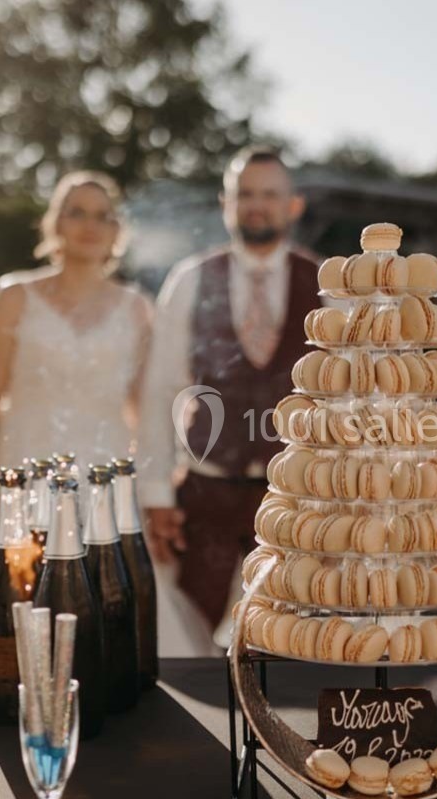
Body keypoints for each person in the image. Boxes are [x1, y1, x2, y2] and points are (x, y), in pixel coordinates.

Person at [0, 171, 209, 654]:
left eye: (103, 216)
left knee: (107, 623)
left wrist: (162, 485)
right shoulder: (14, 296)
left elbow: (145, 410)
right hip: (17, 476)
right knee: (3, 621)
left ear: (118, 232)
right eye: (77, 212)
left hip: (103, 485)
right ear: (54, 224)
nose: (90, 225)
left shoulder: (137, 308)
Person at [139, 146, 317, 639]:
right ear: (225, 203)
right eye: (245, 194)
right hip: (206, 491)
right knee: (187, 639)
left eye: (269, 194)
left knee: (294, 641)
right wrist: (155, 494)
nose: (256, 205)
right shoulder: (191, 279)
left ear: (293, 205)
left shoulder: (327, 285)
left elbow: (345, 401)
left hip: (298, 500)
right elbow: (160, 390)